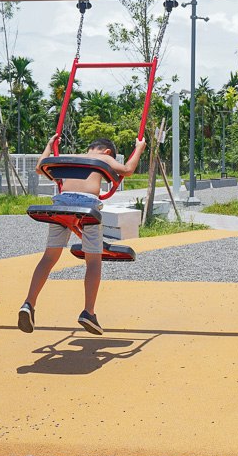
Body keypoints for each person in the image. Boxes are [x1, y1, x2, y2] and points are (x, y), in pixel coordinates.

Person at [18, 134, 147, 336]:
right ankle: (89, 312)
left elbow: (40, 167)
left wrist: (50, 146)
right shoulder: (103, 158)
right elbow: (128, 170)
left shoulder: (70, 156)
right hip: (87, 206)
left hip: (61, 203)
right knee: (93, 259)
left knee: (50, 257)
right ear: (106, 151)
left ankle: (29, 303)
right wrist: (139, 147)